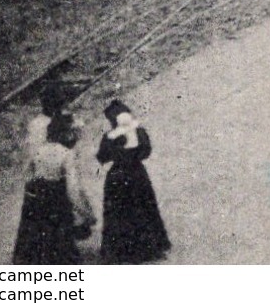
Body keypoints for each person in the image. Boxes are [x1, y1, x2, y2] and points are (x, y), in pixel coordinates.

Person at [12, 113, 94, 264]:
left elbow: (26, 176)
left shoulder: (38, 151)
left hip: (37, 200)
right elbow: (73, 191)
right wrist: (86, 214)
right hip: (57, 202)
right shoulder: (67, 154)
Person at [95, 100, 171, 263]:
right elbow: (146, 151)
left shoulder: (109, 137)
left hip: (117, 176)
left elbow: (102, 156)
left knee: (118, 211)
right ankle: (148, 247)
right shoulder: (140, 132)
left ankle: (120, 249)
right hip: (137, 174)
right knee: (143, 207)